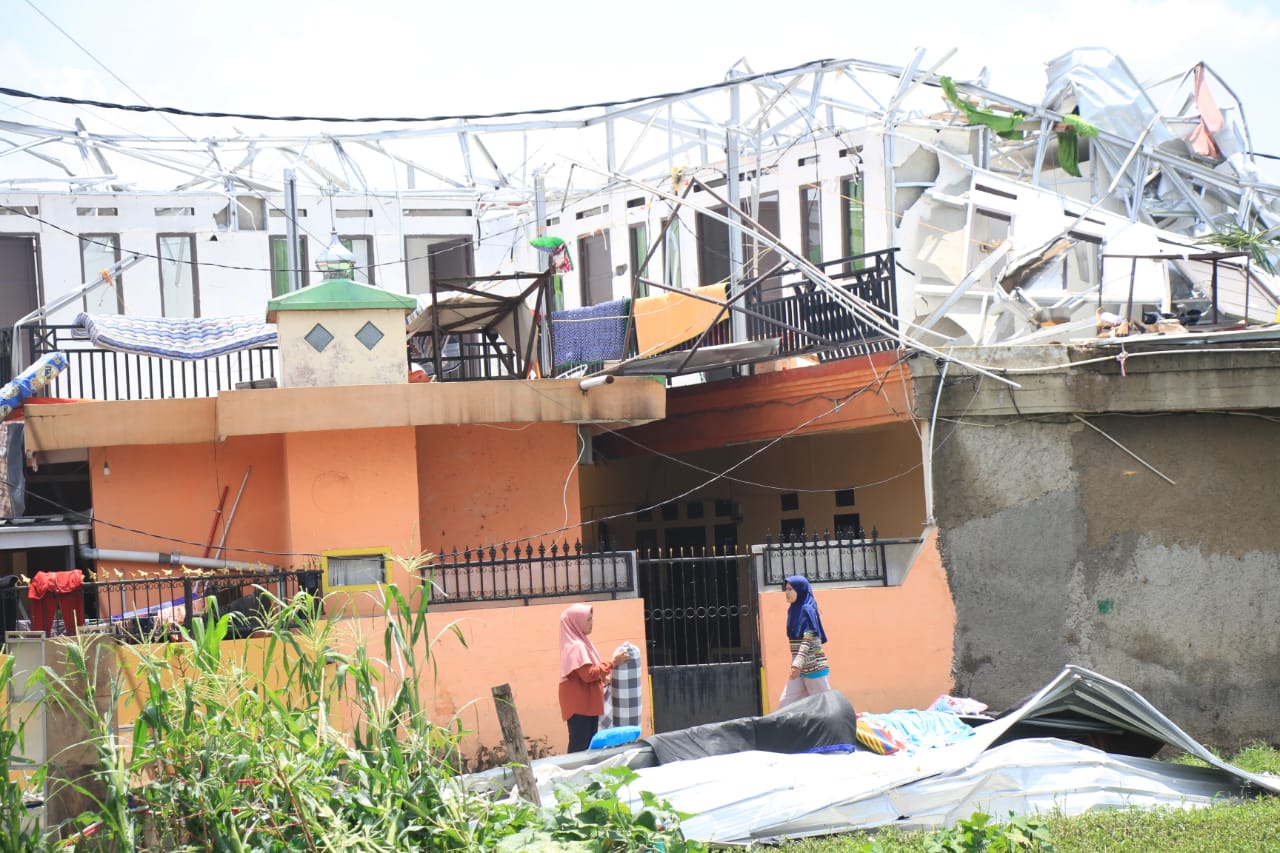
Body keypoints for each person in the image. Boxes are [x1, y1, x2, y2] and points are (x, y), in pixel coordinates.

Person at [559, 602, 630, 752]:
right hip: (579, 704)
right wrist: (612, 663)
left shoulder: (583, 643)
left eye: (591, 619)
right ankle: (573, 773)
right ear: (576, 622)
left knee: (589, 744)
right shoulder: (576, 646)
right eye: (588, 620)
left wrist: (603, 678)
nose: (591, 623)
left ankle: (584, 772)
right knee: (580, 745)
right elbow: (588, 674)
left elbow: (585, 672)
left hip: (586, 702)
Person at [777, 575, 831, 709]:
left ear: (800, 590)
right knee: (786, 704)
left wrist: (797, 664)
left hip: (814, 667)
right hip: (800, 668)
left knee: (826, 707)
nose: (787, 593)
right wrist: (796, 664)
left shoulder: (807, 609)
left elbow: (808, 639)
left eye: (790, 589)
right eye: (786, 589)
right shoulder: (793, 610)